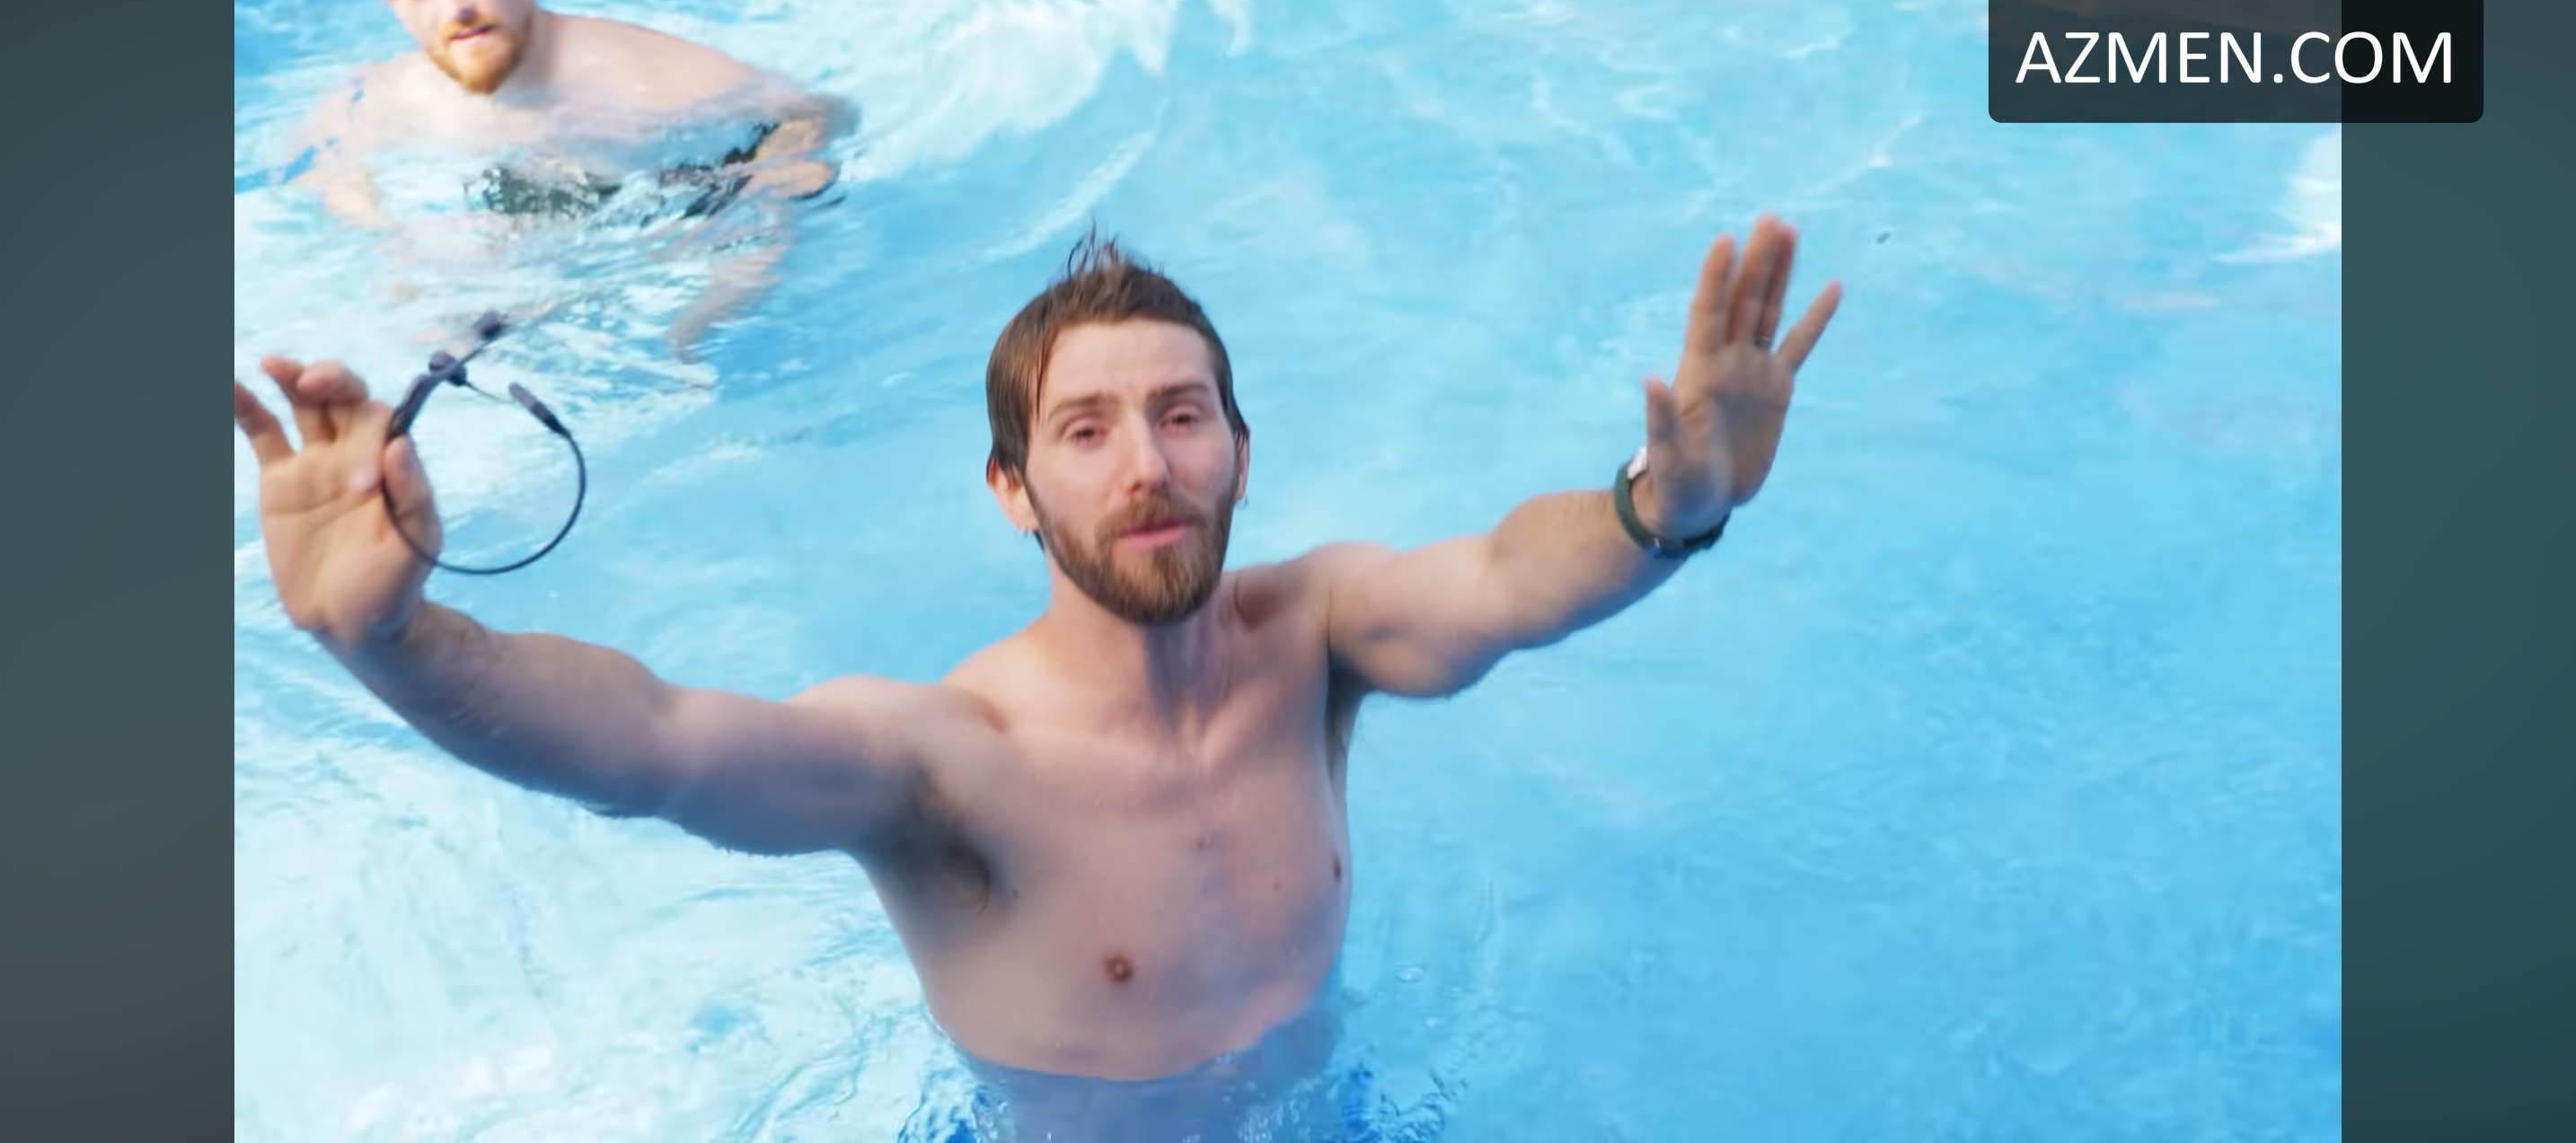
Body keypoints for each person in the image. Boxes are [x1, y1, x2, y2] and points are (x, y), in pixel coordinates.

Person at [232, 216, 1841, 1122]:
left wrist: (1670, 505)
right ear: (1011, 490)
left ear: (1240, 450)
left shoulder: (1322, 635)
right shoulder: (947, 762)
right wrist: (396, 639)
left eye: (1181, 414)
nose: (1146, 463)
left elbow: (1505, 581)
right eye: (1084, 430)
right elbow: (653, 744)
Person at [294, 0, 852, 354]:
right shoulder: (397, 96)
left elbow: (816, 114)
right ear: (398, 9)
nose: (455, 5)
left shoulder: (647, 81)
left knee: (691, 336)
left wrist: (775, 182)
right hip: (543, 213)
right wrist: (387, 234)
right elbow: (326, 164)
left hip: (682, 202)